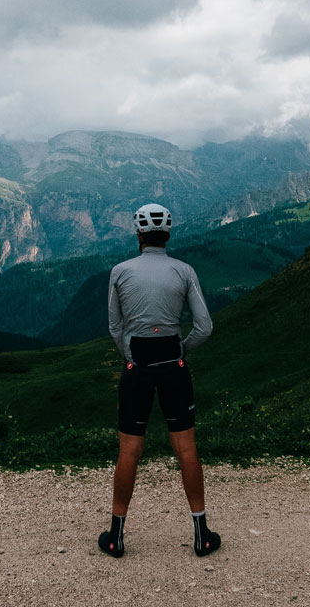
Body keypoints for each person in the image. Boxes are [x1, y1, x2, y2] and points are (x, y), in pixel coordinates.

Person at [98, 202, 221, 558]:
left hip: (137, 366)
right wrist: (181, 348)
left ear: (138, 234)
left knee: (129, 451)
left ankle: (117, 536)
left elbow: (114, 325)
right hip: (174, 366)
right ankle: (201, 534)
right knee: (186, 449)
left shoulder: (120, 271)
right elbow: (205, 326)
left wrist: (131, 354)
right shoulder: (183, 271)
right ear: (168, 234)